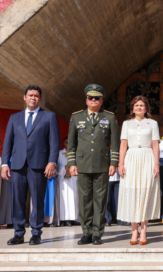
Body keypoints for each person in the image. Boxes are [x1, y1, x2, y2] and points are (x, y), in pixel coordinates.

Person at [1, 85, 60, 245]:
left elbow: (54, 142)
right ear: (24, 97)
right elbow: (7, 143)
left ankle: (36, 233)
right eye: (30, 95)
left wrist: (52, 162)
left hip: (39, 165)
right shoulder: (15, 118)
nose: (33, 98)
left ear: (39, 98)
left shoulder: (49, 116)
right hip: (18, 166)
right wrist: (5, 164)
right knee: (18, 200)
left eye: (36, 96)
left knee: (38, 200)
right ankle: (19, 233)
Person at [68, 84, 120, 245]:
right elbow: (71, 143)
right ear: (86, 100)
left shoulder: (109, 117)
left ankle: (97, 233)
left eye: (96, 98)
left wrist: (114, 163)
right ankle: (86, 232)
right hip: (82, 164)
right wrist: (72, 163)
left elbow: (115, 143)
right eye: (90, 98)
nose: (93, 100)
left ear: (101, 100)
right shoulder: (76, 117)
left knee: (100, 199)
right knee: (84, 200)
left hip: (102, 164)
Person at [118, 95, 161, 246]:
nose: (139, 108)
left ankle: (143, 230)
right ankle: (134, 230)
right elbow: (123, 145)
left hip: (147, 157)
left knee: (145, 193)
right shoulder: (126, 124)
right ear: (132, 108)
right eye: (136, 105)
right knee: (132, 193)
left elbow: (156, 145)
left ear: (146, 108)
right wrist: (120, 164)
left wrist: (156, 163)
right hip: (131, 158)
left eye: (142, 105)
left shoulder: (152, 123)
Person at [57, 137, 79, 226]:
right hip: (62, 180)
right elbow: (56, 167)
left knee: (74, 199)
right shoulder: (59, 153)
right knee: (63, 200)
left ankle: (73, 219)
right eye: (67, 142)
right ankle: (62, 219)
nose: (69, 144)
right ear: (64, 143)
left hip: (74, 179)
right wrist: (64, 169)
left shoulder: (77, 153)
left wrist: (73, 171)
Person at [105, 147, 121, 227]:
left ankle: (119, 219)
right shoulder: (105, 151)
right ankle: (108, 219)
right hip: (107, 178)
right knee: (107, 201)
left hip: (117, 178)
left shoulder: (118, 152)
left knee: (118, 200)